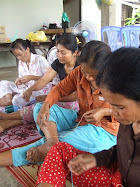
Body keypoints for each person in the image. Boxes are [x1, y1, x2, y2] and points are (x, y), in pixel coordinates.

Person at [38, 47, 140, 187]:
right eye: (111, 105)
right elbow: (123, 151)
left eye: (120, 107)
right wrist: (96, 159)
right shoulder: (129, 121)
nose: (113, 112)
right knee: (59, 150)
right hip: (118, 176)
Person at [0, 34, 85, 133]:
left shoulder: (81, 67)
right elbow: (44, 80)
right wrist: (30, 90)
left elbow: (75, 96)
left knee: (42, 107)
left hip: (76, 104)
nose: (59, 55)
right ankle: (6, 122)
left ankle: (6, 117)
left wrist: (48, 98)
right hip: (62, 97)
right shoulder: (58, 63)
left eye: (63, 52)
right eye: (57, 51)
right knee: (41, 107)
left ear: (75, 53)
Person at [0, 39, 52, 107]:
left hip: (40, 89)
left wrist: (32, 77)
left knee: (18, 99)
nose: (19, 58)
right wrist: (19, 81)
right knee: (3, 83)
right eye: (16, 56)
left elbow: (50, 79)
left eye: (20, 55)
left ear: (27, 49)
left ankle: (11, 101)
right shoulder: (21, 63)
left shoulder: (40, 59)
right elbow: (22, 78)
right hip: (26, 88)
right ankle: (9, 100)